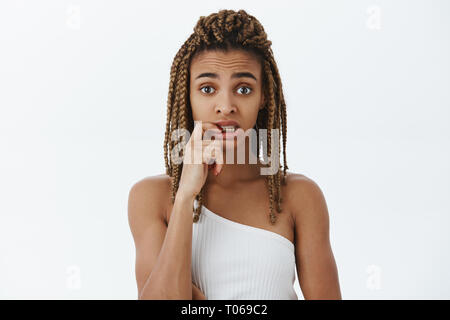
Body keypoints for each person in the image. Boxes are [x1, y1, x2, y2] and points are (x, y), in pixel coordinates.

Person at [128, 9, 342, 300]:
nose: (226, 105)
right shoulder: (151, 197)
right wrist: (185, 198)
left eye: (243, 88)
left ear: (264, 95)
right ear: (187, 97)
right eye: (207, 88)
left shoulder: (299, 196)